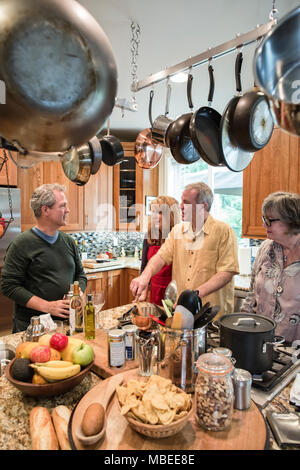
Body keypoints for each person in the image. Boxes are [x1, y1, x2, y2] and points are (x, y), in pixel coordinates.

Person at [131, 182, 239, 317]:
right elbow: (160, 257)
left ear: (202, 206)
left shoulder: (224, 231)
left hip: (211, 313)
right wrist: (145, 276)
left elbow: (227, 272)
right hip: (182, 312)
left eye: (186, 202)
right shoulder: (178, 231)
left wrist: (196, 295)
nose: (180, 206)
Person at [1, 183, 87, 333]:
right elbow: (9, 286)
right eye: (62, 206)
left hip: (66, 324)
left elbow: (81, 275)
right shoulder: (21, 244)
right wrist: (48, 306)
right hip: (33, 329)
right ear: (45, 210)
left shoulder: (68, 241)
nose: (68, 210)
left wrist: (78, 292)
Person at [241, 191, 300, 343]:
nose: (263, 225)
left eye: (269, 220)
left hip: (294, 350)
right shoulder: (266, 249)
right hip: (261, 342)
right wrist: (241, 326)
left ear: (290, 220)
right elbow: (252, 294)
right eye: (264, 219)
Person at [140, 195, 180, 305]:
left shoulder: (179, 237)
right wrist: (143, 289)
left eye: (160, 212)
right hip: (154, 292)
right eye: (153, 212)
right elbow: (144, 266)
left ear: (171, 215)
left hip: (173, 293)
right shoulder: (149, 236)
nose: (154, 216)